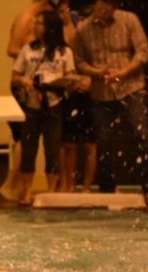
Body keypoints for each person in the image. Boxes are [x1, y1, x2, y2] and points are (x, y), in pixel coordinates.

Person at [73, 0, 148, 207]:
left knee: (142, 135)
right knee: (104, 141)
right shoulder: (83, 28)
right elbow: (79, 62)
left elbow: (143, 53)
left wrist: (123, 72)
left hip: (130, 87)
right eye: (101, 7)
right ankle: (108, 189)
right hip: (101, 91)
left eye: (109, 8)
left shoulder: (129, 20)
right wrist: (96, 72)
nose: (104, 12)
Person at [12, 10, 76, 205]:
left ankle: (51, 191)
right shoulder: (27, 50)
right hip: (31, 105)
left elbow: (72, 77)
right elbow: (14, 77)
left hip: (54, 104)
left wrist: (63, 83)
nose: (34, 26)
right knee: (29, 149)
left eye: (39, 23)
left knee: (53, 149)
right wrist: (24, 81)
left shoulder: (65, 52)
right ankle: (27, 191)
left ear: (50, 27)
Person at [3, 0, 56, 201]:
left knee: (33, 139)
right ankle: (10, 185)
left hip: (41, 86)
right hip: (25, 84)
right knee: (26, 138)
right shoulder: (27, 18)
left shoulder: (45, 15)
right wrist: (38, 55)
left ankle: (17, 187)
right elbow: (12, 49)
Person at [57, 0, 96, 192]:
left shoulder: (87, 27)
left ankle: (87, 187)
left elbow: (96, 58)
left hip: (90, 89)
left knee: (90, 143)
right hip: (69, 90)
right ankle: (69, 185)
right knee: (68, 143)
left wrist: (89, 79)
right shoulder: (59, 31)